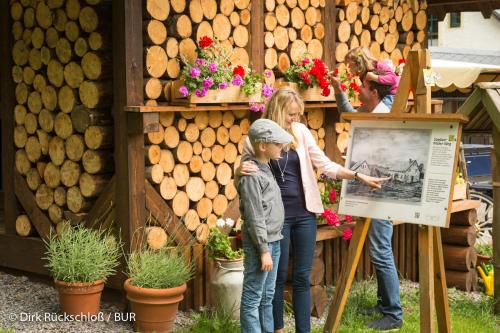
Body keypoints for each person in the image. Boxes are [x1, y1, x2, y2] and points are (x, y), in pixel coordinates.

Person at [236, 87, 389, 333]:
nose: (295, 119)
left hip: (305, 214)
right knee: (275, 278)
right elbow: (245, 175)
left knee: (302, 278)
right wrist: (237, 171)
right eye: (291, 114)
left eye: (298, 114)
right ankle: (276, 329)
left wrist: (357, 175)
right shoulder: (258, 138)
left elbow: (325, 165)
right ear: (278, 109)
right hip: (277, 220)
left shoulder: (301, 132)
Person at [328, 72, 404, 331]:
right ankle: (384, 305)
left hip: (380, 192)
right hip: (369, 189)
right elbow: (347, 112)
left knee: (381, 251)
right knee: (378, 249)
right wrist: (337, 88)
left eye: (363, 86)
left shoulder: (385, 117)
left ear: (374, 92)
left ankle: (393, 313)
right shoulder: (370, 110)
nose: (358, 89)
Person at [239, 118, 293, 333]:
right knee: (253, 296)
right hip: (262, 244)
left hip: (274, 240)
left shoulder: (264, 165)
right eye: (277, 144)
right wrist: (263, 250)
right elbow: (254, 216)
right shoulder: (252, 175)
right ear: (262, 146)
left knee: (267, 296)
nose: (281, 147)